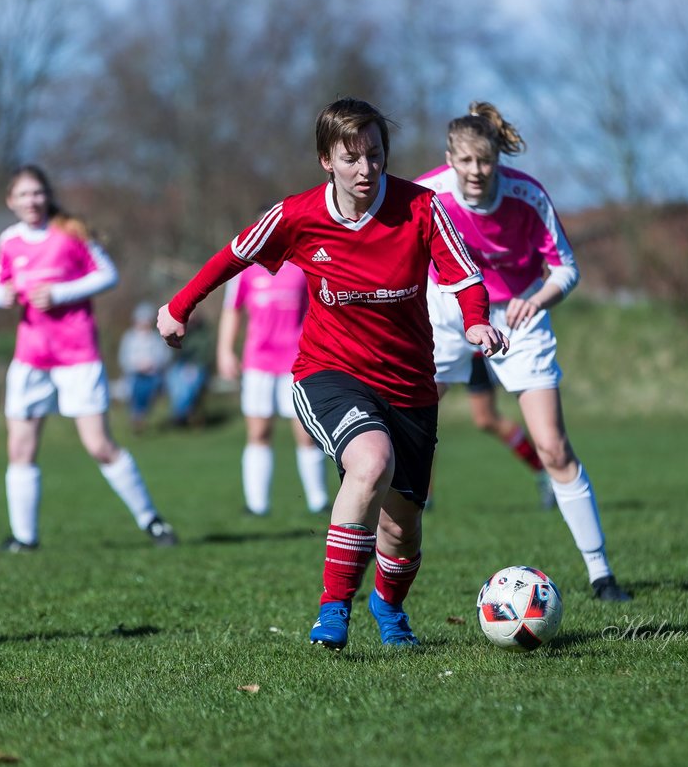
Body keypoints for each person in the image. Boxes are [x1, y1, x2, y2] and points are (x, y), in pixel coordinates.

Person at [158, 97, 506, 649]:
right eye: (352, 158)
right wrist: (179, 306)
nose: (366, 169)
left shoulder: (422, 208)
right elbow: (234, 255)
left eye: (375, 154)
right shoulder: (298, 215)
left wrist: (476, 322)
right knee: (370, 462)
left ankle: (388, 607)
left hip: (410, 384)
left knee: (401, 527)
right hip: (328, 371)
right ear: (326, 160)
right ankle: (333, 608)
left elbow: (463, 277)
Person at [416, 101, 631, 602]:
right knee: (405, 445)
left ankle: (601, 576)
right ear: (449, 157)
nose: (475, 172)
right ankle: (379, 584)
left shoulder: (527, 197)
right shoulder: (426, 195)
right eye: (464, 162)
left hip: (518, 320)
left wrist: (533, 300)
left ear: (497, 159)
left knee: (553, 447)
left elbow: (566, 270)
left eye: (484, 161)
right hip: (445, 316)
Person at [0, 164, 177, 551]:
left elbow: (108, 275)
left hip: (77, 355)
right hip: (31, 357)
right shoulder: (8, 240)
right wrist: (1, 296)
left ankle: (152, 521)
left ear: (48, 194)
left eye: (37, 192)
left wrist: (59, 293)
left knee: (99, 445)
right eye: (23, 194)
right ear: (11, 201)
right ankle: (25, 539)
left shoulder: (70, 231)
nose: (31, 200)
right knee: (20, 449)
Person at [216, 260, 330, 516]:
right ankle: (257, 505)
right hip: (258, 363)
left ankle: (319, 500)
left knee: (307, 433)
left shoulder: (302, 266)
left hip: (298, 361)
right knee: (258, 433)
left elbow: (320, 308)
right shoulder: (245, 270)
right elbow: (231, 310)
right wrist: (224, 351)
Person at [429, 352, 555, 510]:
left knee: (486, 419)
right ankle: (422, 495)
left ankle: (544, 471)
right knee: (422, 412)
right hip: (442, 344)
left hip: (473, 347)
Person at [118, 301, 174, 434]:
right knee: (135, 387)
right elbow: (124, 359)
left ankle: (139, 416)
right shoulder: (129, 338)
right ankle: (137, 417)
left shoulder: (156, 338)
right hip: (134, 374)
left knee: (148, 388)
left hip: (153, 375)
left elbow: (165, 356)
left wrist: (152, 364)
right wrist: (137, 365)